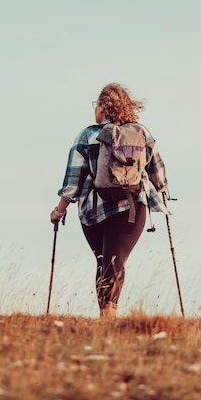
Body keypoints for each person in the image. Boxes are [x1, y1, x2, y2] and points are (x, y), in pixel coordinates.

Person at [50, 83, 169, 318]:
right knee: (114, 260)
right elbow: (158, 174)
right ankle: (108, 316)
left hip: (93, 212)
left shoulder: (87, 135)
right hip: (132, 208)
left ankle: (107, 316)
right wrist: (163, 193)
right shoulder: (141, 133)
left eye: (97, 105)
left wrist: (59, 211)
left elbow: (72, 183)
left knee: (104, 261)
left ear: (104, 108)